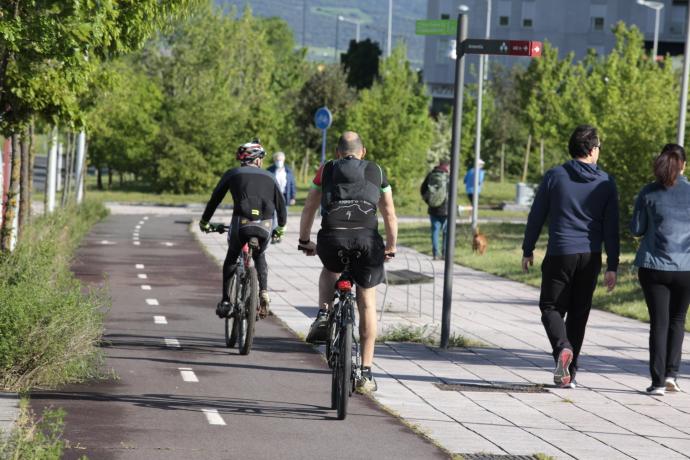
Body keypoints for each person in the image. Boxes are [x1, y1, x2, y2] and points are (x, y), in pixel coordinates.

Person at [298, 131, 397, 393]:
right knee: (367, 302)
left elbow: (310, 205)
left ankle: (323, 313)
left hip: (332, 238)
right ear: (362, 152)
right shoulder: (377, 170)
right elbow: (389, 212)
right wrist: (391, 246)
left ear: (338, 153)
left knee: (330, 268)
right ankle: (365, 371)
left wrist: (304, 240)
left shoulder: (326, 170)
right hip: (367, 241)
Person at [521, 124, 619, 389]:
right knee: (579, 313)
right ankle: (570, 375)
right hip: (590, 256)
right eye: (598, 146)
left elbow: (537, 215)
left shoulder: (555, 176)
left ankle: (563, 349)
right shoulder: (606, 183)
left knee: (551, 307)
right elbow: (611, 227)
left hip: (560, 252)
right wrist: (613, 265)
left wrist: (528, 249)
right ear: (592, 149)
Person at [199, 139, 287, 319]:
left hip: (241, 225)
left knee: (232, 256)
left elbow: (215, 199)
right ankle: (263, 291)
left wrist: (205, 222)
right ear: (258, 160)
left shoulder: (233, 173)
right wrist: (281, 228)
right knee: (260, 255)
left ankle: (225, 300)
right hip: (265, 225)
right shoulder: (270, 177)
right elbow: (282, 206)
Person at [630, 144, 690, 396]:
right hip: (687, 267)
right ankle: (672, 376)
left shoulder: (648, 192)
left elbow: (637, 228)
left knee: (659, 322)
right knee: (678, 320)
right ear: (684, 165)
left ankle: (656, 383)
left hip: (653, 266)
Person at [420, 159, 450, 260]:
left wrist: (429, 202)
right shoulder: (448, 177)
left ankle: (435, 254)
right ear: (447, 166)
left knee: (435, 231)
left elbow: (423, 189)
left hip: (433, 208)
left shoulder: (431, 175)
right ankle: (445, 253)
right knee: (446, 232)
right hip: (446, 210)